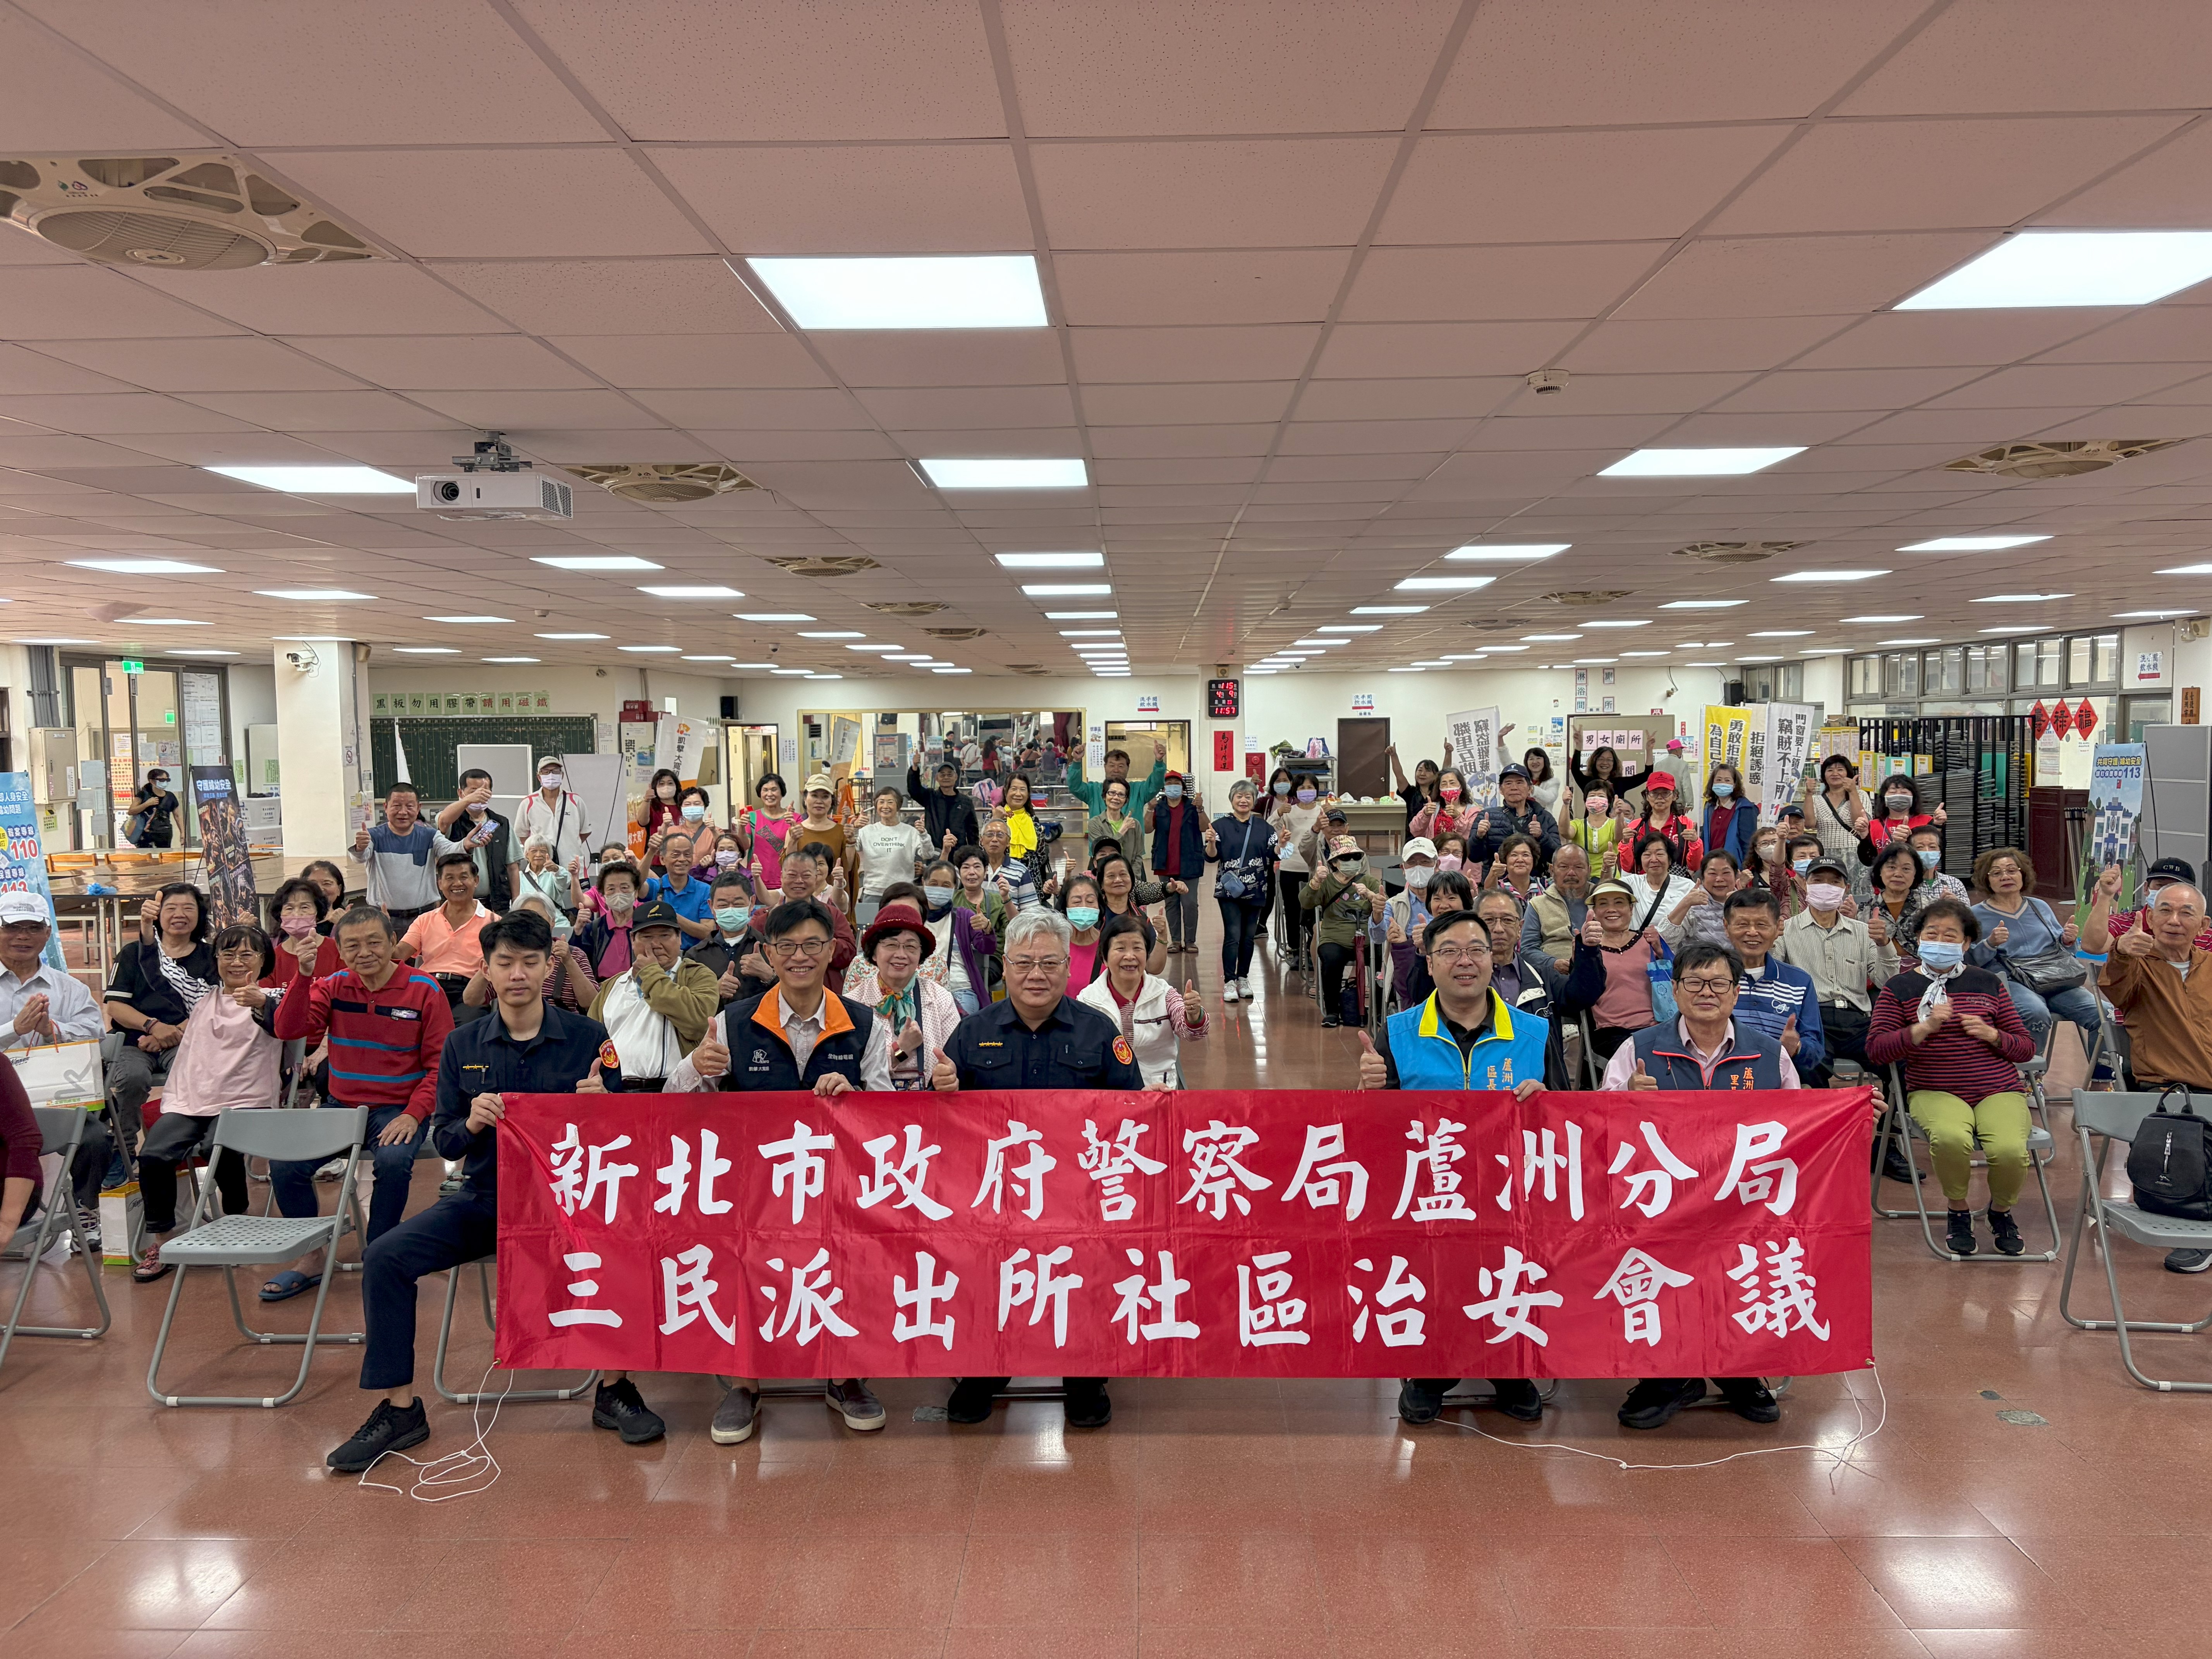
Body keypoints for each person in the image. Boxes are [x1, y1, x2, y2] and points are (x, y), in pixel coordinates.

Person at [324, 908, 648, 1473]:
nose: (518, 974)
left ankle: (615, 1388)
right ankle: (400, 1409)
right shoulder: (463, 1044)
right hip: (486, 1200)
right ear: (488, 971)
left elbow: (624, 1137)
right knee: (385, 1257)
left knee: (627, 1245)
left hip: (572, 1203)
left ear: (548, 967)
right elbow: (447, 1139)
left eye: (530, 962)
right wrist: (473, 1122)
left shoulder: (589, 1038)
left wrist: (605, 1108)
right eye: (505, 963)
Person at [671, 895, 891, 1443]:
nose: (800, 956)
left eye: (812, 944)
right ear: (769, 953)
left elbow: (888, 1113)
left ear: (831, 952)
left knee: (853, 1251)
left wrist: (855, 1094)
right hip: (754, 1187)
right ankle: (744, 1384)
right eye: (787, 946)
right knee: (738, 1253)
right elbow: (679, 1102)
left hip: (838, 1184)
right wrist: (696, 1065)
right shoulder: (733, 1022)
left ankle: (846, 1376)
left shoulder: (866, 1025)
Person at [932, 907, 1141, 1429]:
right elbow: (939, 1127)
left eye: (1050, 963)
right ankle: (985, 1369)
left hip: (1078, 1194)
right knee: (988, 1278)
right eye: (1024, 963)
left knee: (1082, 1277)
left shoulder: (1098, 1032)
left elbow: (1131, 1110)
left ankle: (1084, 1376)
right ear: (1005, 966)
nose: (1036, 975)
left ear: (1068, 966)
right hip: (995, 1193)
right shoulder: (972, 1032)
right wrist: (942, 1092)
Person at [1356, 907, 1553, 1428]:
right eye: (1449, 952)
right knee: (1432, 1276)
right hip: (1429, 1187)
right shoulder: (1398, 1032)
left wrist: (1547, 1100)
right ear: (1429, 962)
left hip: (1509, 1186)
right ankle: (1431, 1372)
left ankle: (1509, 1370)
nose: (1464, 962)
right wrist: (1368, 1090)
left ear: (1494, 958)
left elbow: (1566, 1115)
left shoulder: (1534, 1032)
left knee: (1509, 1269)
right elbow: (1373, 1130)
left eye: (1476, 950)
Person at [1602, 941, 1790, 1431]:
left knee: (1743, 1271)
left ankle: (1738, 1372)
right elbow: (1598, 1121)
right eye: (1695, 982)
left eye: (1719, 983)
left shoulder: (1769, 1054)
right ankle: (1669, 1377)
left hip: (1742, 1202)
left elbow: (1798, 1126)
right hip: (1661, 1202)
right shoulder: (1639, 1048)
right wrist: (1628, 1097)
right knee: (1661, 1271)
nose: (1708, 992)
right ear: (1676, 989)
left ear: (1736, 991)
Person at [266, 905, 455, 1299]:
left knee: (393, 1161)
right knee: (284, 1163)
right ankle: (312, 1257)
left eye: (374, 942)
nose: (364, 953)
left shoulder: (425, 990)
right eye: (352, 946)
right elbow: (288, 1028)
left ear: (393, 942)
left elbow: (441, 1066)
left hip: (398, 1109)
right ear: (340, 951)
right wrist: (303, 976)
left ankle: (381, 1254)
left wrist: (414, 1114)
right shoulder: (334, 986)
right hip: (341, 1107)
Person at [1865, 898, 2038, 1256]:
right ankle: (1958, 1210)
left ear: (1967, 943)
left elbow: (2025, 1048)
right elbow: (1877, 1050)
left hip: (1997, 1088)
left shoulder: (1987, 982)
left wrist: (1993, 1035)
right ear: (1918, 938)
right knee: (1949, 1139)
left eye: (1950, 936)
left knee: (2009, 1150)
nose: (1940, 942)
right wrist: (1923, 1028)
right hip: (1934, 1088)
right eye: (1932, 934)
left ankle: (2000, 1212)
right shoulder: (1899, 987)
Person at [130, 924, 285, 1282]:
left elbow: (297, 1017)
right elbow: (160, 969)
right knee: (153, 1156)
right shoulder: (201, 996)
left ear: (263, 960)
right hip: (192, 1099)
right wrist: (149, 933)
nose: (236, 962)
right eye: (228, 954)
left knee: (220, 1147)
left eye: (247, 954)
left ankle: (237, 1222)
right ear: (215, 960)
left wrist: (267, 1001)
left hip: (246, 1100)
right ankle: (163, 1242)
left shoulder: (274, 996)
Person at [2081, 865, 2212, 1270]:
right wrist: (2121, 949)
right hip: (2174, 1091)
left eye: (2186, 913)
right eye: (2165, 911)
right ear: (2150, 917)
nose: (2175, 920)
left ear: (2203, 925)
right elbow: (2104, 960)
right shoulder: (2137, 964)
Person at [0, 892, 111, 1242]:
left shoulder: (69, 989)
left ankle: (84, 1210)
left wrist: (53, 1030)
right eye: (13, 927)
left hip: (55, 1099)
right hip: (2, 1103)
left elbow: (96, 1033)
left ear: (48, 933)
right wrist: (14, 1030)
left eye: (33, 928)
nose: (23, 936)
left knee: (95, 1138)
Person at [104, 881, 218, 1163]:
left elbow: (212, 1007)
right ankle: (122, 1149)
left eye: (188, 908)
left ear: (200, 915)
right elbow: (116, 1006)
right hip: (134, 1041)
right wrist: (153, 1027)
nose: (180, 914)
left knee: (195, 1072)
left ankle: (181, 1146)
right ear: (156, 914)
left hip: (186, 1040)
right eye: (171, 908)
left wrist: (172, 1033)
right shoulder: (133, 953)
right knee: (132, 1078)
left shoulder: (211, 957)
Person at [1778, 854, 1898, 1083]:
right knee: (1808, 1062)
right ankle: (1823, 1107)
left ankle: (1886, 1108)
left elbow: (1887, 982)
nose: (1826, 887)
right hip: (1813, 1019)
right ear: (1805, 885)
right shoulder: (1787, 930)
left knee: (1897, 1058)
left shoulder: (1863, 931)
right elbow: (1772, 973)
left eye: (1835, 882)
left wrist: (1884, 944)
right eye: (1818, 880)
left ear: (1846, 889)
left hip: (1858, 1020)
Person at [1970, 846, 2096, 1053]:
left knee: (2104, 1014)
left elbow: (2063, 950)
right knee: (2035, 1012)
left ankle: (2104, 1073)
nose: (2006, 877)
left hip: (2054, 979)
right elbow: (1968, 960)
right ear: (1987, 879)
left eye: (2012, 870)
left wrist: (2068, 940)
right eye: (1997, 873)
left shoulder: (2039, 906)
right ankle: (2031, 1071)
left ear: (2023, 875)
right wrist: (1990, 944)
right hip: (2013, 981)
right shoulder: (1975, 915)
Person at [585, 900, 717, 1091]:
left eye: (665, 935)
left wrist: (650, 974)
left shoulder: (698, 975)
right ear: (632, 940)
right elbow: (591, 1040)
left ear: (679, 937)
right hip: (616, 1092)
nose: (656, 944)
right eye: (647, 937)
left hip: (676, 1091)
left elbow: (697, 1023)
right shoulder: (612, 985)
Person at [841, 898, 963, 1091]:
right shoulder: (854, 1004)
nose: (901, 954)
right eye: (891, 945)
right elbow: (853, 1072)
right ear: (874, 953)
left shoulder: (941, 999)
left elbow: (957, 1061)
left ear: (921, 955)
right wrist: (901, 1050)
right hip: (872, 1104)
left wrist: (949, 1077)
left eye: (911, 946)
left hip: (929, 1103)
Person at [1077, 912, 1204, 1087]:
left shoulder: (1164, 993)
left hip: (1159, 1089)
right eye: (1121, 949)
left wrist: (1194, 1015)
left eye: (1137, 948)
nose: (1130, 956)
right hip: (1110, 1092)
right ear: (1104, 958)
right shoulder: (1088, 1000)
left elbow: (1191, 1033)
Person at [1720, 887, 1825, 1076]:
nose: (1752, 932)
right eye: (1742, 924)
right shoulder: (1711, 978)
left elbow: (1816, 1050)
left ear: (1777, 928)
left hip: (1777, 1081)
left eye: (1762, 925)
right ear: (1726, 927)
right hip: (1718, 1081)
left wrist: (1797, 1048)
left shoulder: (1799, 982)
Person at [1203, 777, 1276, 1004]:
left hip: (1257, 889)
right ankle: (1229, 981)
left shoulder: (1265, 828)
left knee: (1248, 937)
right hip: (1230, 891)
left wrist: (1282, 844)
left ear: (1254, 801)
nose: (1244, 800)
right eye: (1239, 796)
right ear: (1232, 799)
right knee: (1233, 935)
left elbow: (1275, 855)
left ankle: (1243, 978)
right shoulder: (1219, 826)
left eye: (1248, 797)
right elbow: (1211, 857)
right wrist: (1211, 843)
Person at [350, 782, 464, 925]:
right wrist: (360, 847)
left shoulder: (430, 835)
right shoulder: (373, 836)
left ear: (418, 808)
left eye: (410, 807)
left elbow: (450, 851)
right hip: (384, 917)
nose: (403, 812)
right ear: (386, 807)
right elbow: (360, 857)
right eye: (397, 806)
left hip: (424, 915)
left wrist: (467, 844)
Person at [1571, 877, 1659, 1063]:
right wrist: (1585, 948)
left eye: (1619, 903)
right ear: (1595, 911)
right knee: (1645, 1060)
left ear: (1631, 909)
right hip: (1610, 1033)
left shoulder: (1650, 941)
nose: (1612, 909)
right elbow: (1580, 991)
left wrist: (1662, 952)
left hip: (1657, 1027)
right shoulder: (1587, 947)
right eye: (1603, 904)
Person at [1303, 834, 1385, 1029]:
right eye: (1346, 858)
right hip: (1335, 938)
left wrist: (1372, 896)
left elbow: (1386, 907)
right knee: (1331, 958)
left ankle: (1379, 1010)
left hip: (1368, 939)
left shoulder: (1369, 881)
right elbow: (1306, 902)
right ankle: (1332, 1011)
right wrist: (1315, 882)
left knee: (1384, 959)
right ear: (1335, 862)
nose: (1352, 861)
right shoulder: (1326, 882)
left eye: (1356, 857)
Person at [397, 852, 497, 1013]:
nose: (457, 883)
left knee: (467, 1025)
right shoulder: (425, 920)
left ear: (476, 881)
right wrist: (383, 933)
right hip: (428, 987)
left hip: (468, 992)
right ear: (440, 884)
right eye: (450, 878)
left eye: (464, 877)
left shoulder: (494, 922)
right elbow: (399, 954)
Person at [1384, 867, 1475, 1007]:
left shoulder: (1477, 936)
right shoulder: (1424, 938)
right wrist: (1415, 949)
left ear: (1465, 901)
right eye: (1437, 899)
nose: (1443, 905)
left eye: (1452, 898)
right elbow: (1410, 992)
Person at [921, 854, 999, 1016]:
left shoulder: (963, 917)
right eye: (934, 884)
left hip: (959, 989)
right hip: (922, 988)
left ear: (955, 887)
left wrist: (986, 928)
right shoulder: (916, 916)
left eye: (946, 885)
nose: (939, 889)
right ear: (924, 883)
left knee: (958, 1024)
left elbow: (987, 948)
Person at [431, 768, 514, 915]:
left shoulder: (501, 823)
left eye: (484, 792)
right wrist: (468, 800)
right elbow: (443, 822)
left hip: (496, 904)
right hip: (458, 901)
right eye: (474, 792)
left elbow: (512, 866)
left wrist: (517, 901)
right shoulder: (453, 819)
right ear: (461, 793)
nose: (479, 797)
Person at [689, 867, 773, 1007]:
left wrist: (769, 976)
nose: (731, 910)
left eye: (738, 904)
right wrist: (714, 991)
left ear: (752, 903)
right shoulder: (695, 956)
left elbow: (795, 995)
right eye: (723, 905)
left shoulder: (770, 949)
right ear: (711, 906)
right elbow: (687, 1004)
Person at [1466, 763, 1561, 880]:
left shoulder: (1544, 817)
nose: (1514, 787)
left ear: (1530, 788)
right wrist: (1479, 837)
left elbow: (1557, 857)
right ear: (1501, 789)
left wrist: (1542, 836)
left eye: (1520, 783)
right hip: (1497, 883)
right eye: (1508, 783)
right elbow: (1474, 857)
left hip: (1535, 884)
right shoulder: (1486, 817)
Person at [854, 785, 929, 927]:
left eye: (890, 802)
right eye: (881, 802)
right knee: (872, 932)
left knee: (903, 931)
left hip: (903, 894)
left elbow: (928, 853)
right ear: (876, 805)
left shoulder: (910, 832)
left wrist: (923, 834)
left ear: (898, 806)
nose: (885, 806)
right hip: (873, 893)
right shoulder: (866, 831)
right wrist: (855, 829)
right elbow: (852, 848)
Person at [1150, 772, 1206, 955]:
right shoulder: (1159, 807)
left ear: (1183, 788)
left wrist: (1201, 810)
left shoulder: (1192, 806)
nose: (1173, 786)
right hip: (1165, 863)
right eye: (1169, 784)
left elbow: (1205, 827)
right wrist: (1149, 810)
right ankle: (1175, 941)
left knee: (1190, 904)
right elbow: (1148, 829)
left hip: (1190, 863)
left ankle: (1190, 941)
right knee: (1171, 903)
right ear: (1164, 788)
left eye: (1177, 783)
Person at [515, 755, 594, 880]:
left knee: (576, 893)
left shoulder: (575, 801)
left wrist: (569, 845)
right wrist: (540, 851)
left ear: (562, 776)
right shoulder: (528, 803)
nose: (551, 775)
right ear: (539, 777)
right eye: (546, 772)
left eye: (555, 771)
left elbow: (585, 832)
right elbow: (522, 835)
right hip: (543, 871)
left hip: (573, 869)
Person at [1523, 841, 1591, 973]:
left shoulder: (1601, 900)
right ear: (1552, 870)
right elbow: (1528, 949)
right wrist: (1552, 963)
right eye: (1564, 867)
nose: (1571, 873)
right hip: (1555, 977)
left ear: (1589, 870)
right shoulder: (1537, 905)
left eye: (1579, 867)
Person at [1065, 738, 1168, 822]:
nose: (1116, 770)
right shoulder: (1094, 791)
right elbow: (1075, 787)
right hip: (1102, 842)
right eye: (1112, 765)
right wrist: (1077, 761)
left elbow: (1155, 784)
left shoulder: (1139, 791)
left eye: (1121, 766)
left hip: (1131, 843)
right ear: (1105, 767)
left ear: (1128, 768)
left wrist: (1159, 762)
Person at [265, 874, 344, 985]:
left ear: (318, 912)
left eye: (305, 907)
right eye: (289, 908)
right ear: (280, 915)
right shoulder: (272, 959)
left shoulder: (338, 950)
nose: (297, 914)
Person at [645, 830, 718, 946]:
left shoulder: (705, 890)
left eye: (687, 854)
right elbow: (637, 885)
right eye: (676, 855)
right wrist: (651, 852)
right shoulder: (655, 887)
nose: (682, 859)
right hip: (660, 953)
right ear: (662, 859)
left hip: (695, 955)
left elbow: (707, 932)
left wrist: (670, 913)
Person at [1622, 835, 1695, 947]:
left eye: (1660, 854)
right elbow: (1605, 893)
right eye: (1647, 855)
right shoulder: (1631, 883)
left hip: (1671, 953)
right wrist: (1607, 869)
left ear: (1670, 859)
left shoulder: (1687, 886)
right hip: (1636, 950)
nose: (1654, 860)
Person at [1662, 847, 1740, 951]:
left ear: (1736, 876)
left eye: (1726, 873)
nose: (1719, 879)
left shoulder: (1746, 904)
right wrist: (1685, 904)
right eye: (1712, 874)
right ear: (1702, 878)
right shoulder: (1693, 907)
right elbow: (1665, 941)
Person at [1625, 771, 1702, 875]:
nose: (1660, 798)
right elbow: (1628, 867)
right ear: (1647, 796)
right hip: (1643, 882)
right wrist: (1625, 843)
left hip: (1676, 882)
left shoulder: (1686, 825)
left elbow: (1695, 866)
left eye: (1665, 793)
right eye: (1655, 793)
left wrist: (1695, 842)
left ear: (1675, 796)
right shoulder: (1636, 827)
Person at [1865, 838, 1930, 962]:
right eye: (1892, 867)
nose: (1898, 874)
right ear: (1880, 871)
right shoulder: (1864, 910)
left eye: (1906, 869)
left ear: (1916, 873)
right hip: (1877, 971)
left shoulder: (1931, 907)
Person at [908, 752, 982, 857]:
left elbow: (973, 831)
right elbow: (914, 789)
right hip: (935, 852)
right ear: (937, 778)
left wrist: (974, 854)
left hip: (959, 852)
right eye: (942, 775)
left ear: (956, 777)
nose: (946, 777)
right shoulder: (930, 797)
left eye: (950, 774)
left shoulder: (966, 802)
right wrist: (915, 767)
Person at [738, 772, 798, 894]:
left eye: (774, 790)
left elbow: (798, 850)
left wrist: (794, 829)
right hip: (757, 882)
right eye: (765, 790)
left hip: (787, 882)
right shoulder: (752, 817)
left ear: (782, 793)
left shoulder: (795, 819)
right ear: (760, 793)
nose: (769, 794)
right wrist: (742, 828)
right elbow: (744, 846)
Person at [1408, 766, 1483, 850]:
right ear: (1439, 789)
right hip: (1436, 855)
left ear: (1461, 787)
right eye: (1444, 784)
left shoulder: (1474, 812)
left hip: (1461, 856)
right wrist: (1425, 815)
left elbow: (1471, 838)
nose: (1448, 787)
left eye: (1452, 783)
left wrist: (1458, 817)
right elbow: (1415, 831)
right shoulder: (1432, 809)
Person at [1056, 871, 1109, 989]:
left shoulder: (1109, 945)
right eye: (1077, 902)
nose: (1084, 907)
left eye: (1090, 901)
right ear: (1066, 907)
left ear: (1099, 906)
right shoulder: (1055, 945)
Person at [1084, 776, 1148, 874]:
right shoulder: (1095, 823)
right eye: (1112, 793)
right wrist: (1122, 831)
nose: (1116, 798)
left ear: (1126, 800)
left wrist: (1132, 879)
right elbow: (1104, 851)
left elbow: (1138, 856)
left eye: (1121, 795)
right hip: (1105, 875)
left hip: (1130, 876)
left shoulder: (1135, 824)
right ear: (1104, 796)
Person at [1700, 762, 1755, 867]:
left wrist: (1747, 868)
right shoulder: (1709, 807)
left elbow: (1748, 844)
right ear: (1713, 783)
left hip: (1735, 866)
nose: (1723, 783)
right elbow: (1705, 839)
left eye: (1727, 780)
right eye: (1719, 780)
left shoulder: (1745, 808)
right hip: (1711, 864)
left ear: (1735, 785)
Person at [510, 833, 576, 920]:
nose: (539, 855)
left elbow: (564, 883)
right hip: (526, 922)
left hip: (555, 921)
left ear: (549, 854)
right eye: (534, 851)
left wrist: (557, 870)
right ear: (526, 854)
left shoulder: (555, 874)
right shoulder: (519, 877)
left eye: (543, 851)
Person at [1570, 742, 1650, 812]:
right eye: (1601, 759)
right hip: (1592, 823)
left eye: (1609, 760)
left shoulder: (1620, 783)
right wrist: (1578, 747)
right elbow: (1575, 770)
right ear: (1595, 761)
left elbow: (1647, 775)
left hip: (1615, 823)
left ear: (1614, 763)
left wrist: (1649, 750)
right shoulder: (1587, 782)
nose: (1605, 763)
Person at [1567, 785, 1622, 876]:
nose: (1596, 799)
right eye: (1592, 796)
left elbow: (1620, 838)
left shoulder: (1614, 824)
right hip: (1583, 878)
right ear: (1586, 801)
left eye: (1601, 796)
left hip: (1610, 877)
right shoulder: (1577, 824)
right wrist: (1566, 805)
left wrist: (1619, 815)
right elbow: (1565, 833)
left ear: (1609, 802)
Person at [1482, 832, 1549, 905]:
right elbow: (1488, 893)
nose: (1520, 860)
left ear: (1534, 859)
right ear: (1506, 860)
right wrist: (1493, 874)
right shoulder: (1499, 887)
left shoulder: (1545, 886)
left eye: (1526, 855)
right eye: (1514, 855)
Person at [127, 766, 180, 849]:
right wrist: (146, 804)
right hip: (146, 833)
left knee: (163, 854)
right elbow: (131, 811)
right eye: (162, 780)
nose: (165, 782)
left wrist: (183, 833)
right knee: (147, 855)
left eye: (167, 780)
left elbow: (178, 816)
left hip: (165, 833)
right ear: (152, 781)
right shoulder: (144, 794)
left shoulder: (170, 796)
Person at [634, 766, 684, 853]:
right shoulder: (652, 806)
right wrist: (647, 800)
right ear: (655, 787)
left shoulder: (684, 805)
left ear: (676, 786)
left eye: (670, 783)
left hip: (682, 852)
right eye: (662, 784)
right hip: (658, 856)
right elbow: (642, 822)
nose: (666, 787)